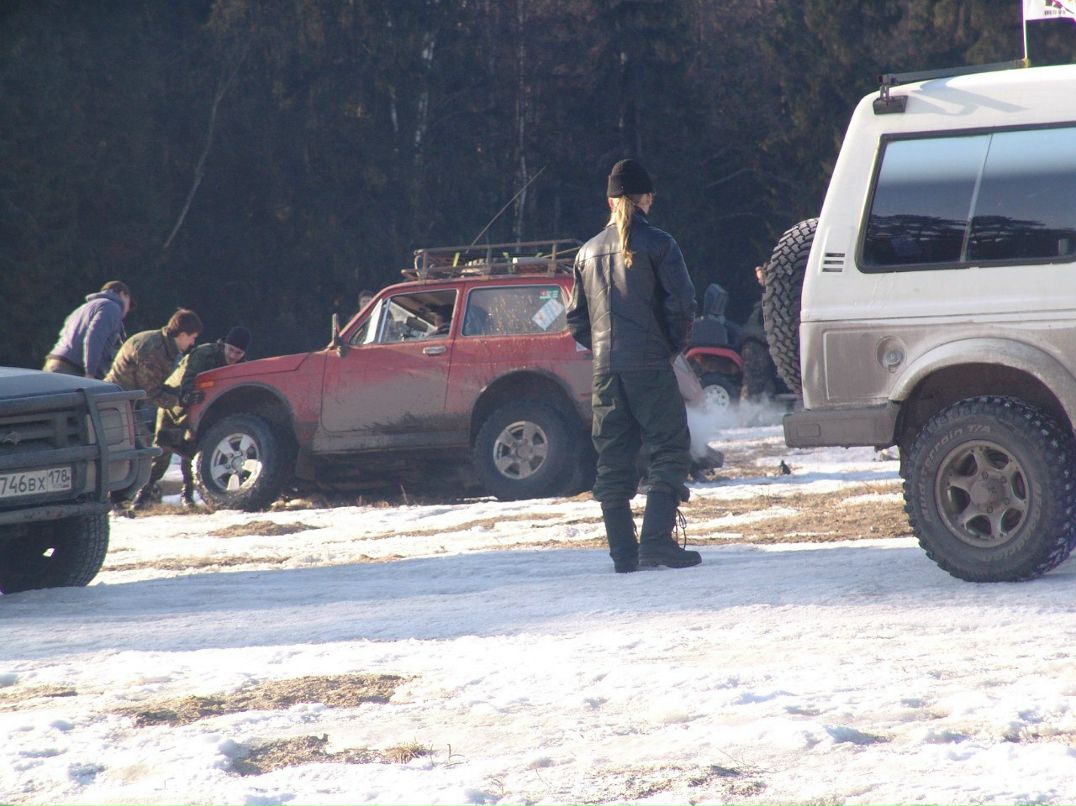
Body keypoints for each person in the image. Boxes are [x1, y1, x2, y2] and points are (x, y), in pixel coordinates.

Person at [566, 158, 701, 572]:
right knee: (669, 450)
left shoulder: (586, 252)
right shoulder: (660, 244)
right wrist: (671, 347)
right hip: (650, 365)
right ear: (645, 199)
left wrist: (604, 351)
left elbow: (576, 320)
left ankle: (623, 553)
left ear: (610, 202)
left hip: (606, 371)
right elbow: (683, 304)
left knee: (612, 459)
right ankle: (656, 542)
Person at [138, 326, 251, 508]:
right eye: (230, 350)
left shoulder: (242, 367)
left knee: (191, 452)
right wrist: (187, 396)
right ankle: (143, 493)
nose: (232, 356)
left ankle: (187, 495)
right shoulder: (204, 354)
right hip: (174, 404)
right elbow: (188, 377)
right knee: (162, 450)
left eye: (238, 353)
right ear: (224, 345)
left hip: (200, 410)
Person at [104, 309, 203, 509]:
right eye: (192, 338)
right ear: (183, 334)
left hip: (126, 402)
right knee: (138, 451)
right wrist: (180, 401)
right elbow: (152, 392)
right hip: (115, 403)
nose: (192, 343)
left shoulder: (163, 346)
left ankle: (125, 499)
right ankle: (116, 501)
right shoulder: (154, 350)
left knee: (141, 450)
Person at [43, 280, 133, 379]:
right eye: (129, 304)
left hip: (53, 364)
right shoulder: (112, 307)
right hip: (72, 370)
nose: (128, 310)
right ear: (122, 294)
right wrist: (90, 372)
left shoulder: (82, 308)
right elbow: (95, 338)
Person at [740, 262, 780, 403]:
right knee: (754, 383)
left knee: (764, 384)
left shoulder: (771, 294)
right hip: (756, 342)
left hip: (759, 340)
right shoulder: (768, 296)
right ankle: (749, 409)